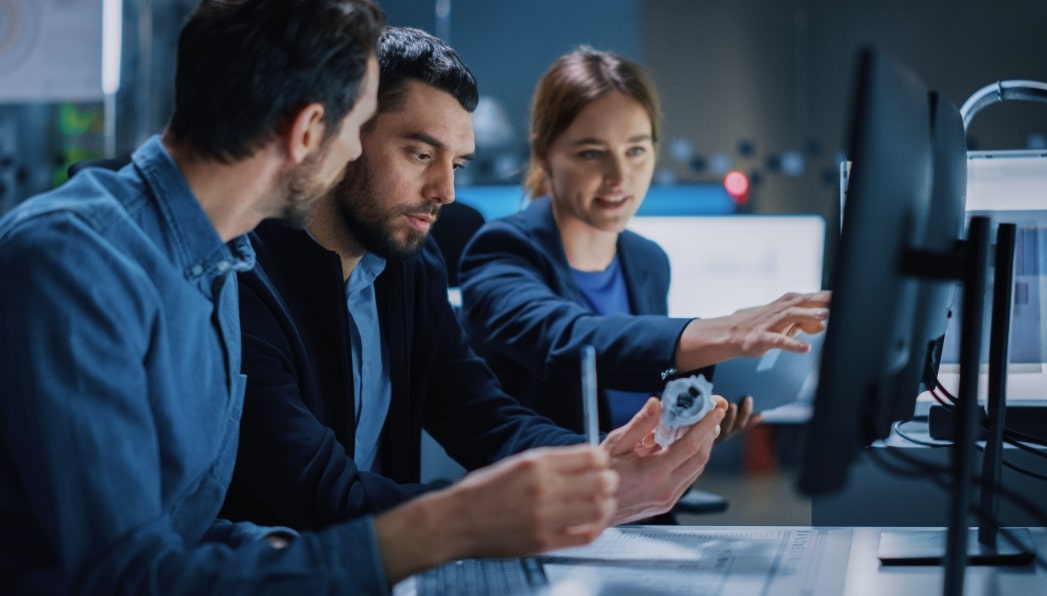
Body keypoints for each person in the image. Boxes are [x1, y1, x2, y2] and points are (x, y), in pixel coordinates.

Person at [0, 3, 603, 593]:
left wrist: (274, 548)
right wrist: (444, 526)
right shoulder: (75, 262)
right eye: (355, 128)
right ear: (310, 131)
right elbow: (126, 577)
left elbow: (186, 525)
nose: (352, 154)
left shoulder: (215, 257)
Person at [221, 26, 726, 544]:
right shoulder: (241, 281)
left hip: (396, 565)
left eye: (456, 164)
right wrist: (531, 504)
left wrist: (596, 463)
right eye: (420, 154)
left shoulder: (411, 266)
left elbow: (480, 414)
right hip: (282, 569)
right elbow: (318, 493)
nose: (446, 190)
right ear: (341, 137)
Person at [458, 47, 831, 437]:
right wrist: (727, 331)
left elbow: (646, 386)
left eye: (636, 150)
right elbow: (571, 340)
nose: (620, 176)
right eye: (591, 153)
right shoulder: (501, 250)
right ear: (544, 155)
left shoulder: (647, 260)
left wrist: (692, 424)